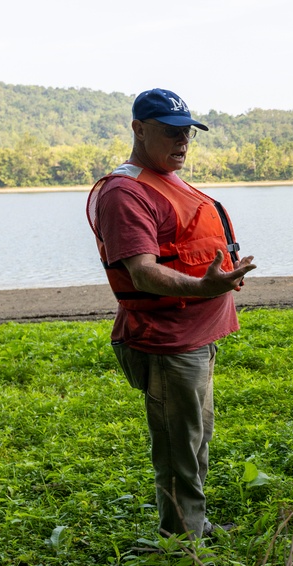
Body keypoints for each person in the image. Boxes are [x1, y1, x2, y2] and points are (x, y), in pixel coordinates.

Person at [86, 88, 257, 538]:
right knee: (178, 449)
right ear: (139, 130)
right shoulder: (125, 193)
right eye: (170, 133)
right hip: (165, 342)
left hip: (194, 337)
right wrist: (205, 286)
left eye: (187, 134)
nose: (181, 143)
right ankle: (181, 544)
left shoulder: (164, 178)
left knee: (196, 440)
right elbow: (142, 273)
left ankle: (192, 527)